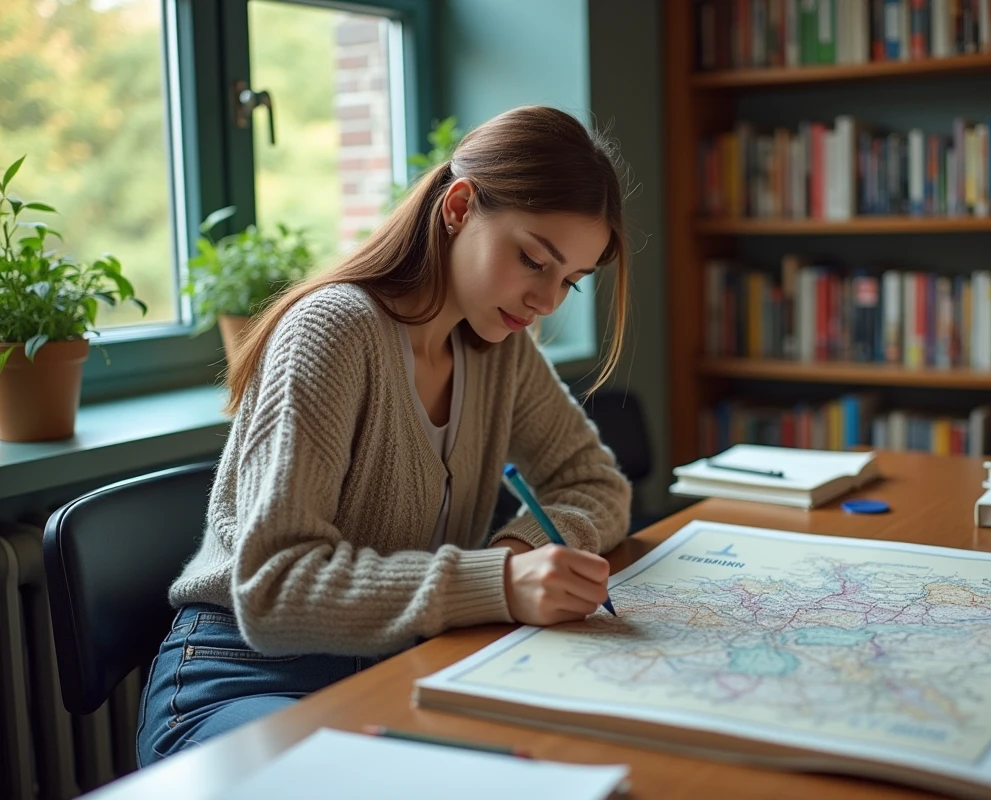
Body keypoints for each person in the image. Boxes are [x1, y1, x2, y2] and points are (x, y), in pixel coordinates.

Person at [136, 105, 634, 765]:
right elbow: (274, 587)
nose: (547, 301)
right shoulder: (332, 332)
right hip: (245, 678)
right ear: (459, 207)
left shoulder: (501, 349)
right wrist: (497, 583)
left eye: (569, 282)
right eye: (533, 260)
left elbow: (596, 484)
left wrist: (519, 552)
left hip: (396, 667)